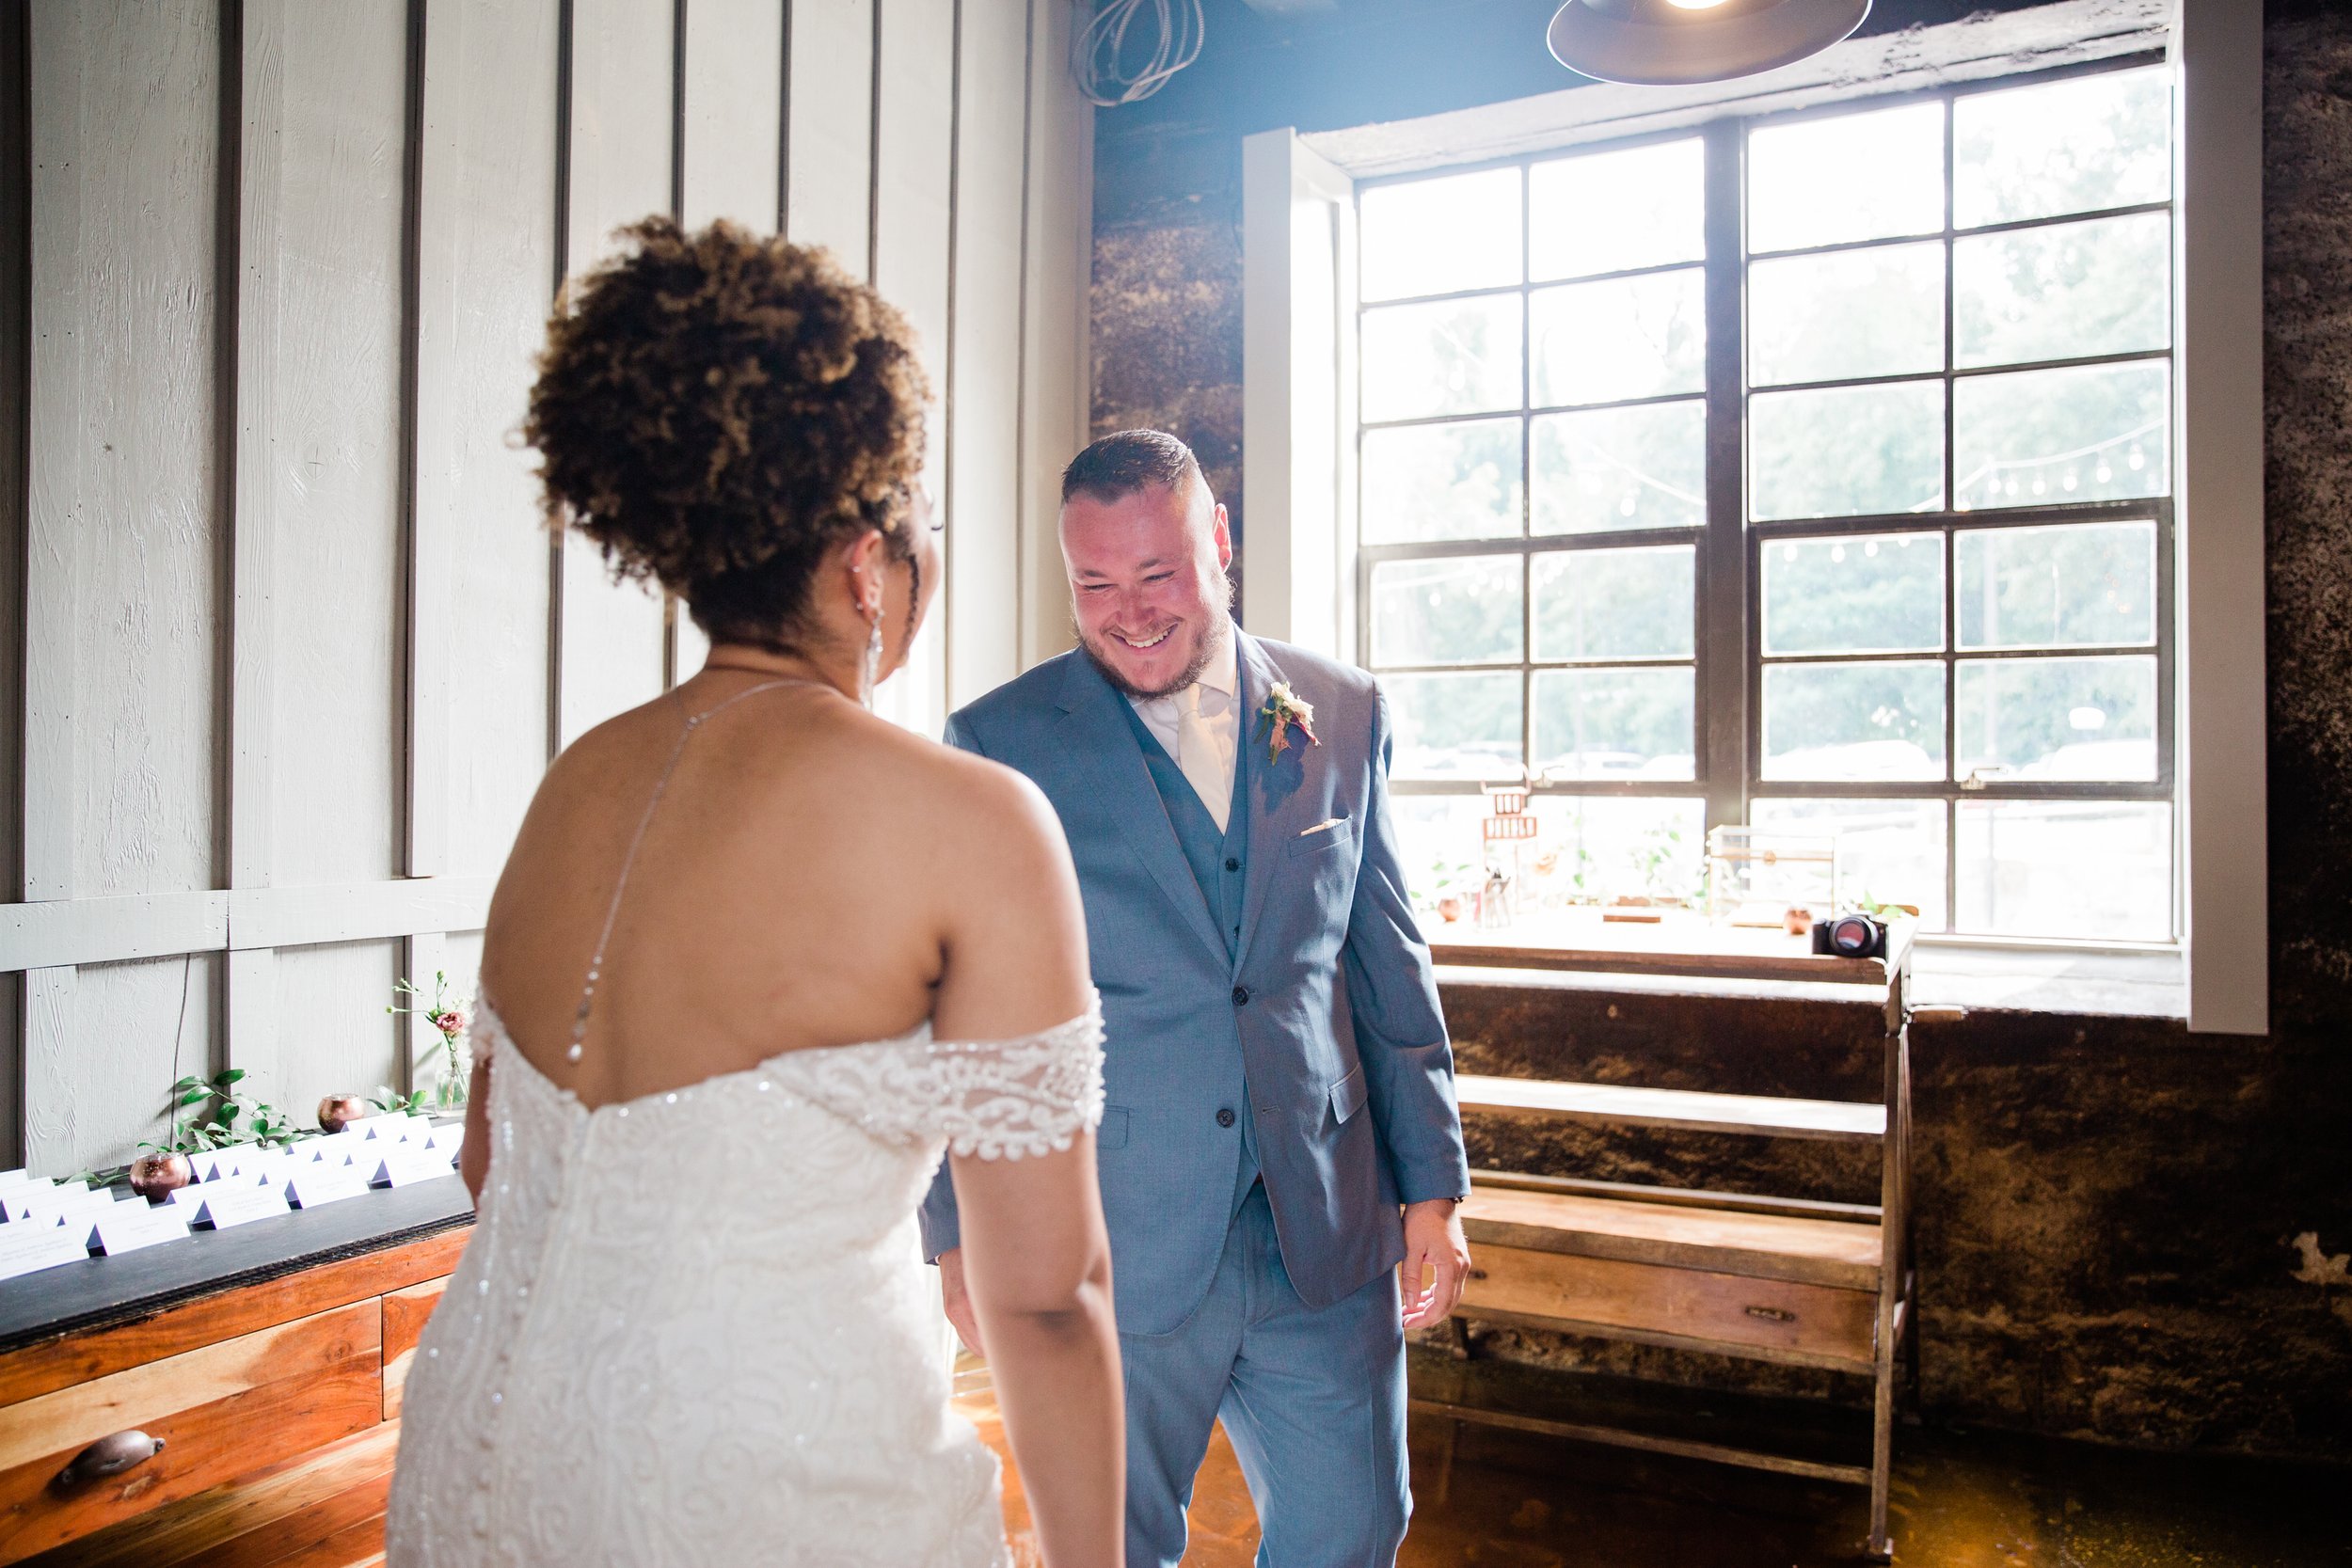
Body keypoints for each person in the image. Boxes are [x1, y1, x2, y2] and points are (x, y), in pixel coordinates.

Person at [385, 218, 1123, 1568]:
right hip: (768, 1494)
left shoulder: (576, 782)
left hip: (469, 1464)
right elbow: (1049, 1293)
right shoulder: (973, 818)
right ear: (864, 563)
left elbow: (492, 1165)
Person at [921, 431, 1472, 1568]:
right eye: (1094, 585)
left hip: (1324, 1223)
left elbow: (1386, 965)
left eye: (1157, 575)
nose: (1127, 613)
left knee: (1357, 1525)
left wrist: (1435, 1188)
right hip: (1115, 1230)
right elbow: (957, 1009)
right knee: (1108, 1545)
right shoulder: (998, 741)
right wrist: (952, 1234)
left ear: (1217, 540)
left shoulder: (1341, 711)